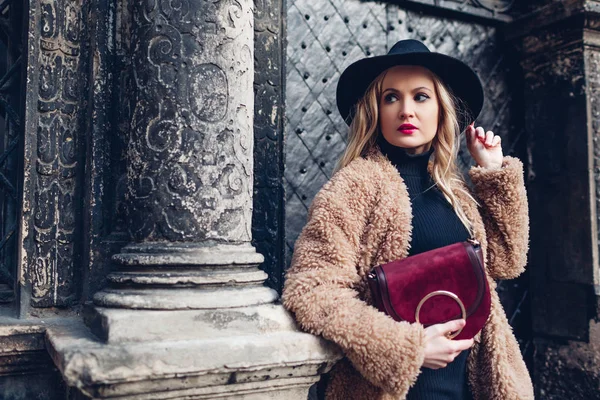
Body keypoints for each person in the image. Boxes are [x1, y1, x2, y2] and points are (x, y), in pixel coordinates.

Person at [282, 39, 534, 400]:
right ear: (375, 110)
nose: (405, 110)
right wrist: (407, 347)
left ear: (441, 109)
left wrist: (494, 174)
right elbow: (311, 290)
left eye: (420, 96)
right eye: (390, 98)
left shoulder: (455, 189)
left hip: (472, 388)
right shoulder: (356, 185)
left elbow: (507, 262)